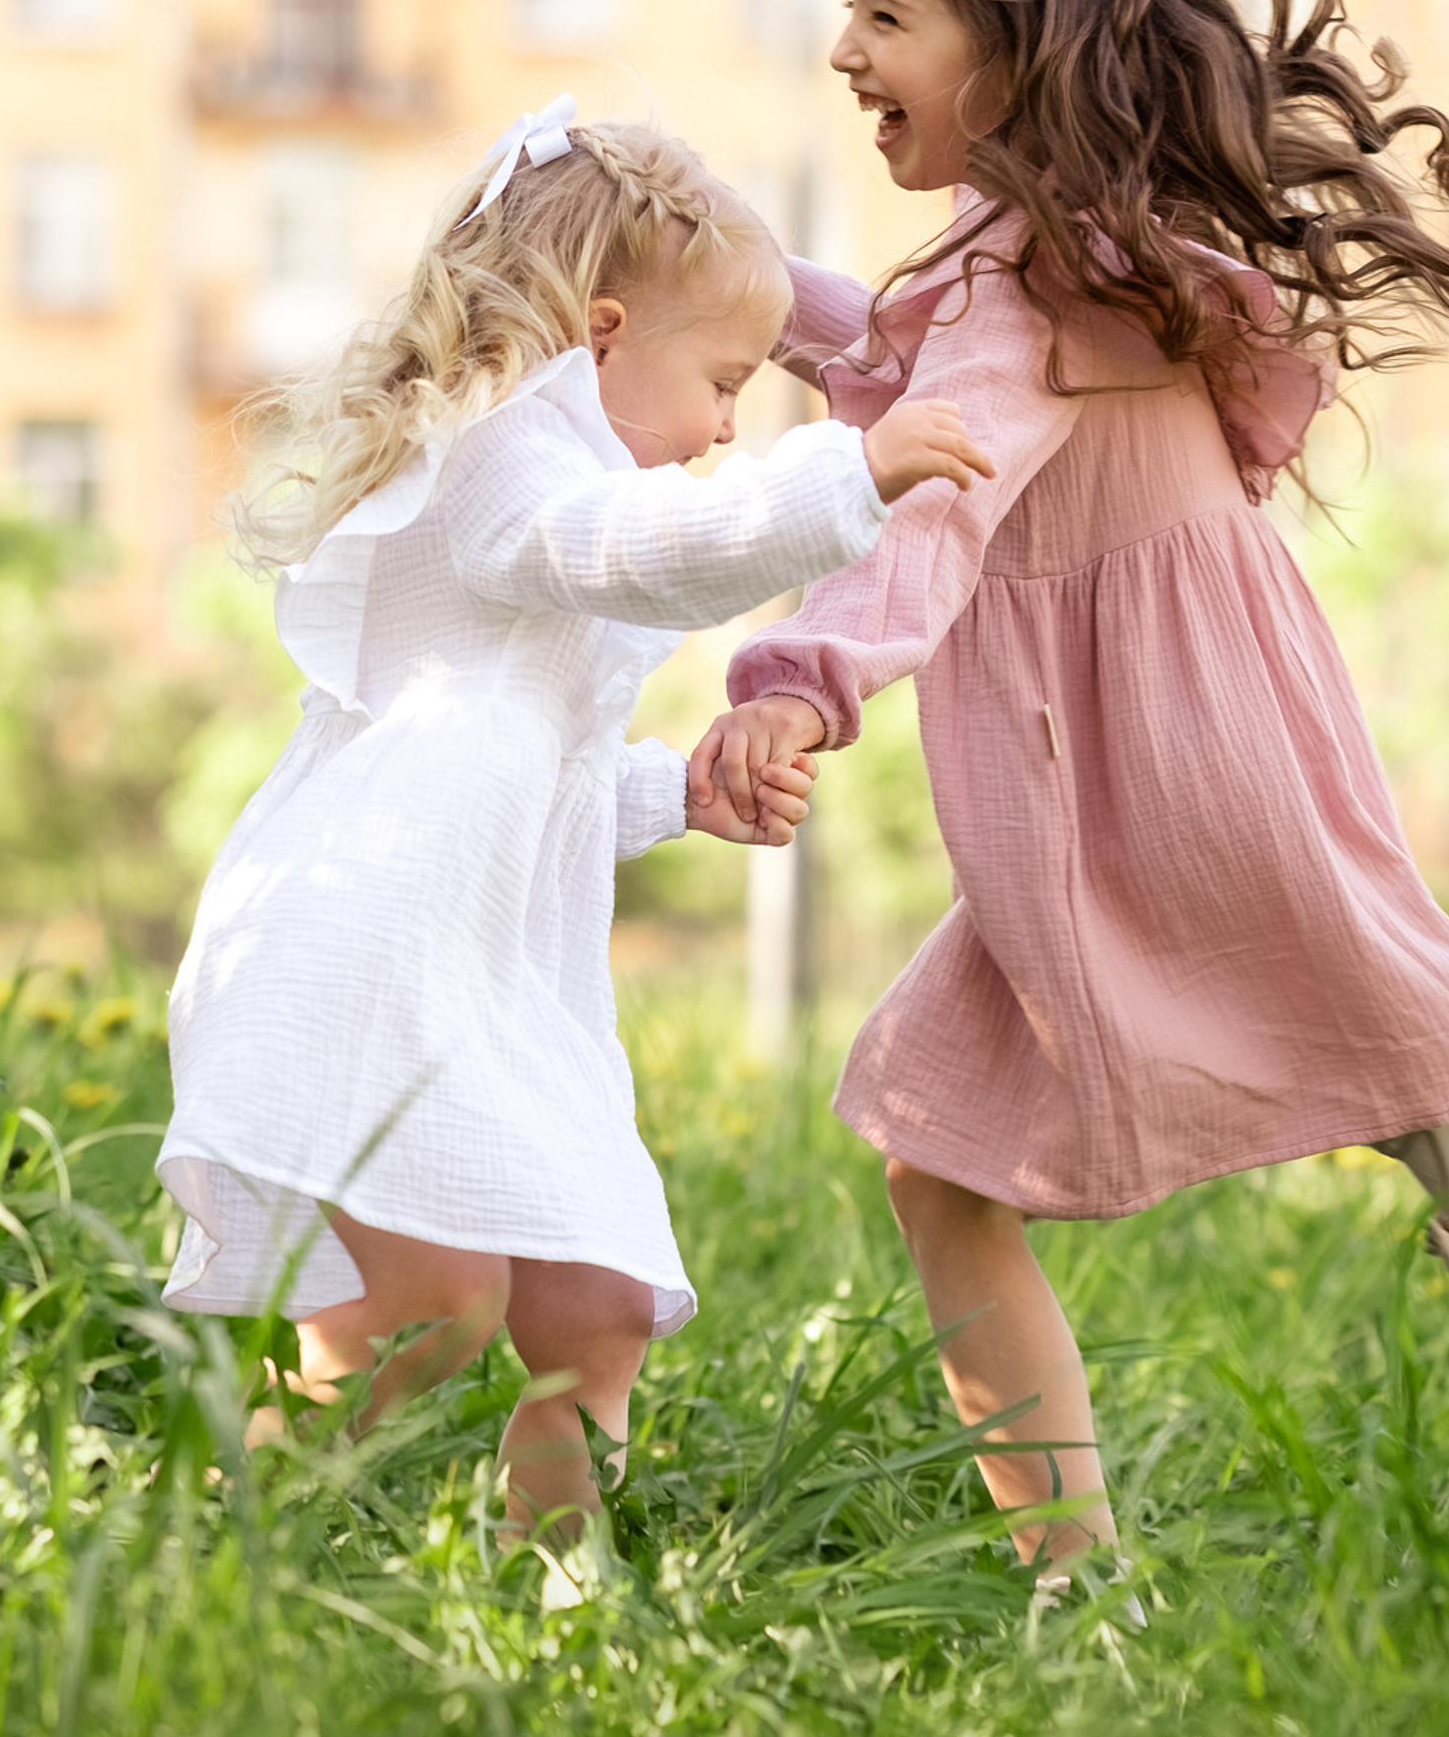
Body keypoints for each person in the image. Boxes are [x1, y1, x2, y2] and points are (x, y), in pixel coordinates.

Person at [689, 0, 1449, 1596]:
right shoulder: (1079, 252)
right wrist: (759, 296)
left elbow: (938, 492)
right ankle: (1083, 1567)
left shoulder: (1018, 284)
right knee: (944, 1160)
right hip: (1204, 715)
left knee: (949, 1150)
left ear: (1013, 56)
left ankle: (1436, 1088)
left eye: (886, 17)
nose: (843, 51)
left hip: (1121, 751)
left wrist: (799, 679)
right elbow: (915, 356)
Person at [159, 100, 991, 1551]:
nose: (728, 426)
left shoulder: (544, 488)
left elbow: (521, 782)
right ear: (601, 336)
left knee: (595, 1306)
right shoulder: (504, 465)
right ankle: (228, 1537)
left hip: (488, 973)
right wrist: (845, 477)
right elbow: (627, 551)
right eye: (723, 383)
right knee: (430, 1303)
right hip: (368, 949)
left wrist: (676, 794)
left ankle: (556, 1588)